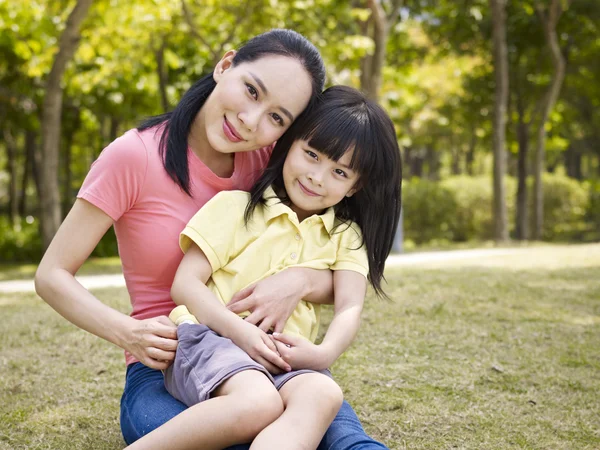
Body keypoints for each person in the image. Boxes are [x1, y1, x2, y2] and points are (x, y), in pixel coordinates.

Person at [34, 29, 390, 448]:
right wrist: (127, 332)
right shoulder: (133, 157)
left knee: (335, 430)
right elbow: (51, 274)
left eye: (278, 118)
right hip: (172, 357)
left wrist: (298, 281)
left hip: (267, 356)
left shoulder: (274, 163)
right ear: (226, 65)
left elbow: (335, 271)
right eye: (252, 91)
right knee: (241, 429)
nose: (251, 121)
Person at [125, 85, 402, 450]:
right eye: (311, 154)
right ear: (289, 145)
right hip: (212, 339)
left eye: (339, 172)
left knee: (323, 392)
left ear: (355, 186)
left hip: (282, 356)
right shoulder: (238, 208)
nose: (318, 177)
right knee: (258, 402)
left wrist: (323, 354)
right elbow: (186, 284)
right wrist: (240, 332)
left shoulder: (345, 236)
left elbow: (350, 305)